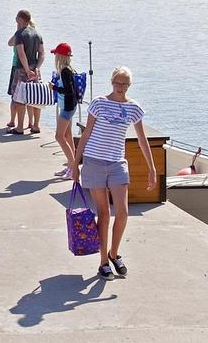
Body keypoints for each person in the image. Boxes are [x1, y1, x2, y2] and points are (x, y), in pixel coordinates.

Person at [71, 67, 156, 281]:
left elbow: (142, 139)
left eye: (124, 84)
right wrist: (74, 163)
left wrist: (152, 169)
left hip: (117, 163)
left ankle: (114, 253)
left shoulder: (134, 108)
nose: (120, 87)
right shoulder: (99, 103)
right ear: (111, 82)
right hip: (94, 161)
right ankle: (103, 263)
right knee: (104, 213)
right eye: (117, 83)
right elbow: (86, 132)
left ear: (129, 85)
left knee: (123, 212)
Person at [6, 9, 44, 135]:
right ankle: (35, 126)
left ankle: (20, 127)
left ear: (21, 19)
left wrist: (27, 70)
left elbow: (21, 54)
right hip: (35, 68)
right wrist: (37, 68)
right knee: (36, 97)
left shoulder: (20, 34)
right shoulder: (37, 34)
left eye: (17, 18)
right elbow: (42, 53)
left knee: (19, 99)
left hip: (22, 69)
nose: (15, 20)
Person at [51, 43, 81, 178]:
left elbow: (68, 91)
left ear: (60, 56)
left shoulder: (64, 71)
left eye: (56, 54)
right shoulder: (69, 69)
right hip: (69, 106)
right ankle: (70, 167)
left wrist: (54, 88)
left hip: (67, 108)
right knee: (68, 136)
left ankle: (72, 166)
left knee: (59, 136)